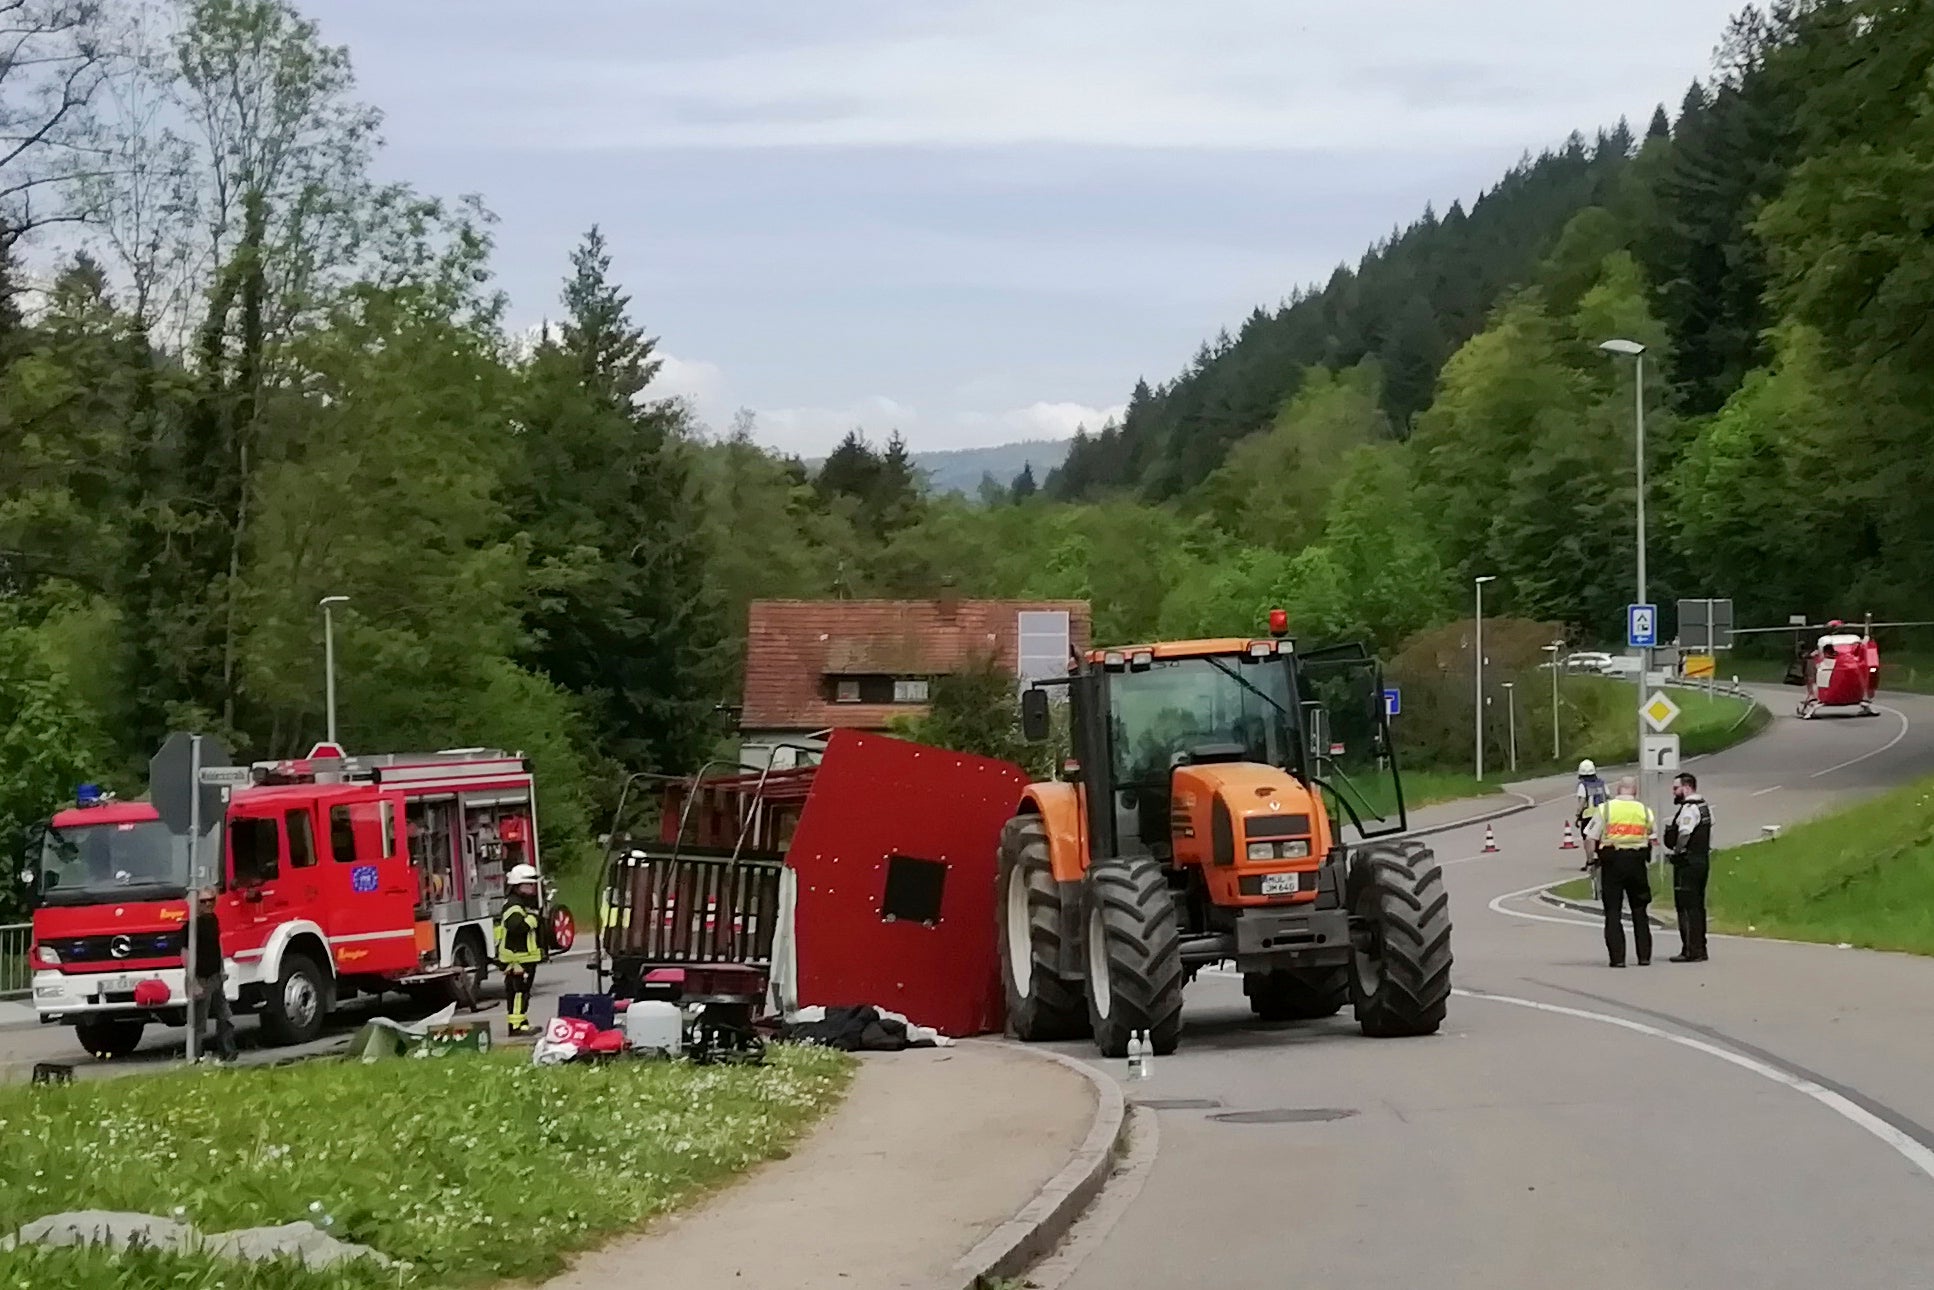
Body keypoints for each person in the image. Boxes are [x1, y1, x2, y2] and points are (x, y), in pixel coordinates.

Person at [1585, 777, 1656, 968]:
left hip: (1612, 863)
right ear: (1635, 791)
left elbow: (1590, 837)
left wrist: (1591, 860)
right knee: (1640, 910)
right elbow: (1652, 836)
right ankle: (1644, 956)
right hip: (1637, 863)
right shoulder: (1644, 810)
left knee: (1613, 912)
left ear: (1618, 789)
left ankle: (1618, 958)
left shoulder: (1605, 809)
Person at [1664, 771, 1713, 963]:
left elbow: (1684, 832)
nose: (1674, 792)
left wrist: (1677, 850)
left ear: (1686, 787)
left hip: (1688, 863)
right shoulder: (1704, 807)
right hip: (1702, 861)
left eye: (1676, 788)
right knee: (1698, 907)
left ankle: (1690, 950)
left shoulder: (1689, 809)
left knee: (1686, 907)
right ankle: (1700, 947)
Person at [495, 863, 545, 1036]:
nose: (532, 888)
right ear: (518, 885)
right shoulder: (514, 905)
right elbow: (516, 926)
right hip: (517, 959)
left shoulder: (521, 902)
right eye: (529, 884)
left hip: (524, 958)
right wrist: (533, 919)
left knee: (522, 992)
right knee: (518, 993)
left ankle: (521, 1022)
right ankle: (516, 1027)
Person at [189, 889, 238, 1063]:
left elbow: (218, 946)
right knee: (199, 1020)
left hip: (215, 976)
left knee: (224, 1014)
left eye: (211, 900)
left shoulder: (213, 920)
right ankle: (195, 1056)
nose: (208, 904)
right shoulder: (192, 925)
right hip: (201, 978)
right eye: (203, 901)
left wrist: (222, 969)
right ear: (196, 904)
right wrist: (192, 980)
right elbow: (185, 953)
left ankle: (228, 1052)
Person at [1574, 760, 1609, 871]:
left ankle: (1590, 862)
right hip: (1603, 815)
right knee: (1602, 838)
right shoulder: (1602, 783)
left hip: (1589, 816)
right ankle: (1602, 859)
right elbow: (1608, 796)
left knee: (1588, 840)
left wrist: (1577, 814)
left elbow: (1582, 801)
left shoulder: (1582, 785)